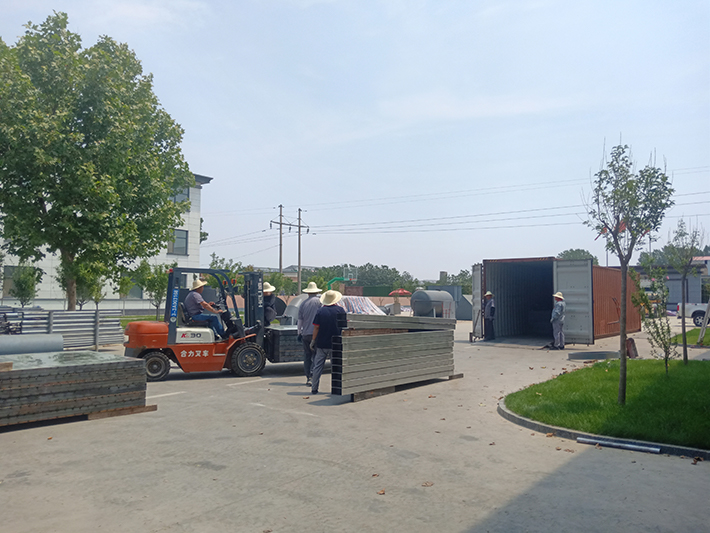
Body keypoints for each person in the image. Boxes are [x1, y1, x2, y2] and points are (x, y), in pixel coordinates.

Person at [309, 290, 346, 395]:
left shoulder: (320, 311)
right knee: (336, 367)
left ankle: (314, 388)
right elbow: (344, 327)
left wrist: (313, 341)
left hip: (322, 343)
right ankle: (337, 388)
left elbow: (316, 327)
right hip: (336, 344)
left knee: (317, 367)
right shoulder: (340, 311)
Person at [297, 281, 323, 386]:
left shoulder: (303, 304)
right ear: (316, 292)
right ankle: (312, 376)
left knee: (307, 356)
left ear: (308, 293)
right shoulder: (320, 303)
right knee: (316, 356)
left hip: (305, 334)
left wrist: (299, 332)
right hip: (316, 334)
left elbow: (300, 320)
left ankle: (308, 376)